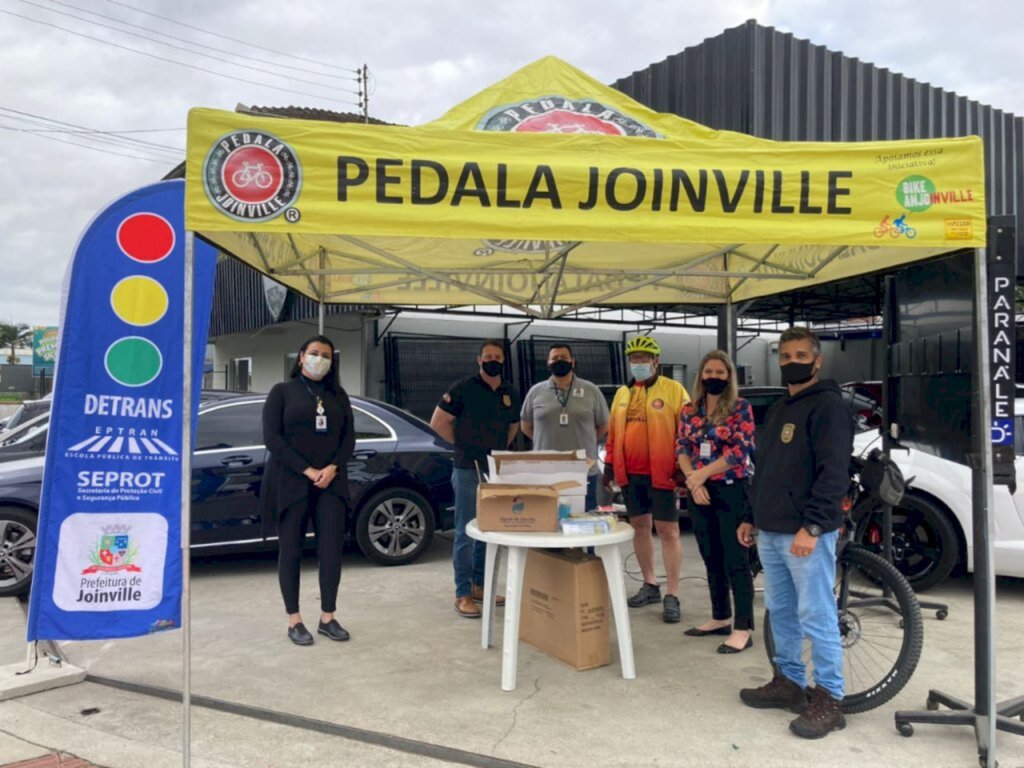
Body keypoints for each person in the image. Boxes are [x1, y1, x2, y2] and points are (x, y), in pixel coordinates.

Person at [737, 326, 854, 739]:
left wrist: (814, 525)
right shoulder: (780, 408)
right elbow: (763, 470)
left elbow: (833, 473)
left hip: (805, 533)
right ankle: (787, 682)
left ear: (817, 360)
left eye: (800, 355)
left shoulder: (828, 408)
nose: (792, 362)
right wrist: (751, 515)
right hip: (770, 531)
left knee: (816, 614)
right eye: (785, 356)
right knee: (781, 611)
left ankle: (830, 698)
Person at [261, 335, 355, 646]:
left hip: (331, 483)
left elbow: (349, 439)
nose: (319, 359)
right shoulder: (282, 392)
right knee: (291, 551)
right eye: (313, 353)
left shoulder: (338, 395)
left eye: (326, 355)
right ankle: (294, 620)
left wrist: (332, 468)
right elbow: (272, 439)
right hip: (291, 482)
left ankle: (328, 617)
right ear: (301, 357)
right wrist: (308, 470)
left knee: (331, 552)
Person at [430, 339, 521, 619]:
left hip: (495, 470)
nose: (492, 360)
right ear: (479, 360)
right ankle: (463, 593)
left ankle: (481, 586)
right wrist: (464, 446)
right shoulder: (462, 388)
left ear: (503, 361)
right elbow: (438, 422)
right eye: (488, 356)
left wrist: (496, 451)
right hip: (467, 468)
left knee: (489, 531)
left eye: (497, 357)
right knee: (465, 532)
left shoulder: (510, 392)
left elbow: (513, 426)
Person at [602, 335, 689, 623]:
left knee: (668, 531)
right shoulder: (622, 394)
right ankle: (650, 584)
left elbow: (686, 432)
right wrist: (610, 465)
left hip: (662, 473)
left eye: (643, 358)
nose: (638, 363)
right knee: (640, 527)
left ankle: (673, 594)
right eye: (634, 359)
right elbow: (613, 434)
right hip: (631, 475)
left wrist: (682, 468)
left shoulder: (674, 390)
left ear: (656, 361)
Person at [677, 350, 755, 653]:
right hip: (699, 491)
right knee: (711, 556)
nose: (714, 377)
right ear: (701, 375)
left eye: (720, 373)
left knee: (736, 559)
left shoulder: (740, 408)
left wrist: (700, 475)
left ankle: (742, 627)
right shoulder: (688, 410)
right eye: (709, 372)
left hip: (731, 490)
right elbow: (681, 446)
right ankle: (720, 616)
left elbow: (739, 450)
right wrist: (692, 479)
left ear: (729, 376)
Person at [520, 343, 610, 511]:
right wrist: (545, 440)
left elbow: (604, 425)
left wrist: (585, 439)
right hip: (545, 469)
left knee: (583, 522)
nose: (559, 361)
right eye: (555, 358)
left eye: (564, 358)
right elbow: (526, 426)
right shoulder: (536, 391)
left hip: (583, 469)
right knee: (545, 519)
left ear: (573, 362)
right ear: (548, 363)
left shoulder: (591, 390)